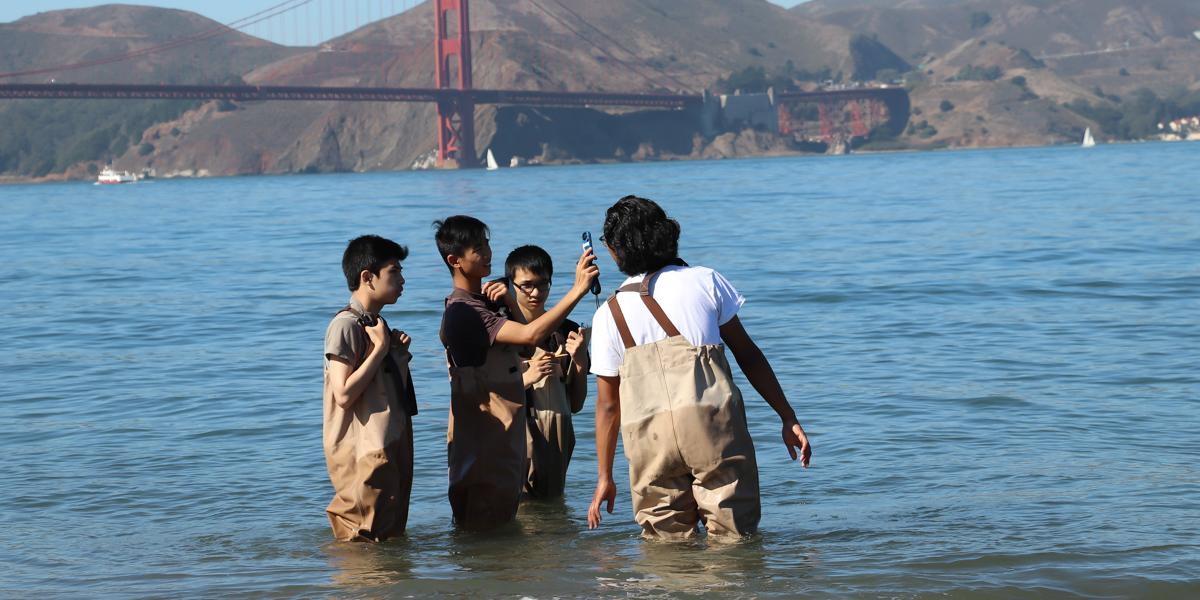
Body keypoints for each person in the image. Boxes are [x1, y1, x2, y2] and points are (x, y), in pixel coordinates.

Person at [586, 195, 813, 539]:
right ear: (665, 234)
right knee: (734, 538)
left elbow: (607, 404)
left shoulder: (607, 314)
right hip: (711, 425)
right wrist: (786, 415)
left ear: (615, 251)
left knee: (665, 549)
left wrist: (604, 476)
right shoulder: (705, 280)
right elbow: (747, 354)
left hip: (649, 439)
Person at [434, 216, 598, 530]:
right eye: (478, 249)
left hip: (501, 441)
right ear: (455, 260)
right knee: (492, 534)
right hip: (490, 440)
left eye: (487, 245)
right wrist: (578, 289)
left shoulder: (482, 306)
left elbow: (523, 348)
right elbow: (529, 339)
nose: (487, 253)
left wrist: (508, 302)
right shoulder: (466, 311)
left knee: (507, 538)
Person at [322, 234, 417, 542]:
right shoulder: (346, 325)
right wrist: (379, 351)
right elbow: (344, 394)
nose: (402, 279)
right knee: (361, 543)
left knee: (388, 541)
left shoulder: (376, 324)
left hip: (385, 447)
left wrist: (395, 356)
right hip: (363, 454)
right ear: (367, 277)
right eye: (395, 271)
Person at [505, 245, 590, 500]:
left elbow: (575, 404)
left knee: (554, 514)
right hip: (517, 440)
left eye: (543, 284)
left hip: (558, 440)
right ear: (511, 284)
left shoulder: (567, 331)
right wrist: (527, 379)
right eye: (526, 285)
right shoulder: (502, 329)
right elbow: (488, 399)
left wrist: (580, 362)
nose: (535, 293)